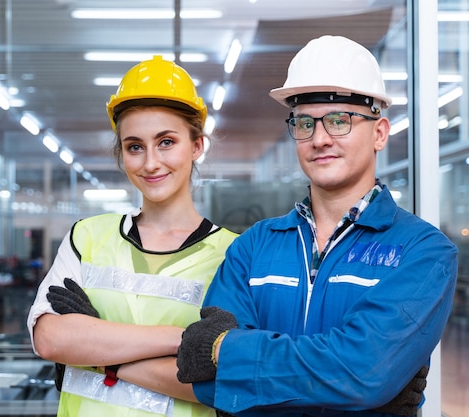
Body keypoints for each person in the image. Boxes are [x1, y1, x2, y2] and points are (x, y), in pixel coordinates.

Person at [176, 35, 458, 417]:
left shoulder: (423, 251)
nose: (319, 138)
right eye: (305, 123)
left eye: (340, 120)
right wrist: (351, 383)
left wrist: (228, 355)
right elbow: (207, 380)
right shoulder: (252, 248)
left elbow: (362, 374)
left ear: (379, 132)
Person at [27, 55, 239, 417]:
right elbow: (49, 339)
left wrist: (99, 354)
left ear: (197, 146)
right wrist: (185, 338)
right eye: (135, 146)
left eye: (167, 142)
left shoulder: (234, 254)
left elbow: (222, 382)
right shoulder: (87, 236)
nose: (151, 162)